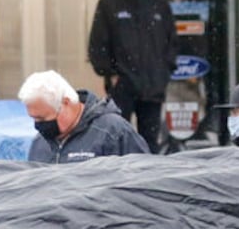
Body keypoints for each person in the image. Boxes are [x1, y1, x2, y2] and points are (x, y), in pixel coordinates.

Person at [88, 0, 177, 152]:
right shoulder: (109, 4)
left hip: (153, 86)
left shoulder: (159, 5)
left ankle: (150, 179)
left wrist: (164, 73)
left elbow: (172, 43)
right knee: (119, 139)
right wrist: (109, 73)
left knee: (150, 142)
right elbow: (97, 44)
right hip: (122, 86)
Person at [18, 69, 148, 164]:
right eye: (33, 118)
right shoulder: (39, 143)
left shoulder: (113, 132)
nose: (38, 126)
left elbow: (144, 180)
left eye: (42, 118)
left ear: (66, 103)